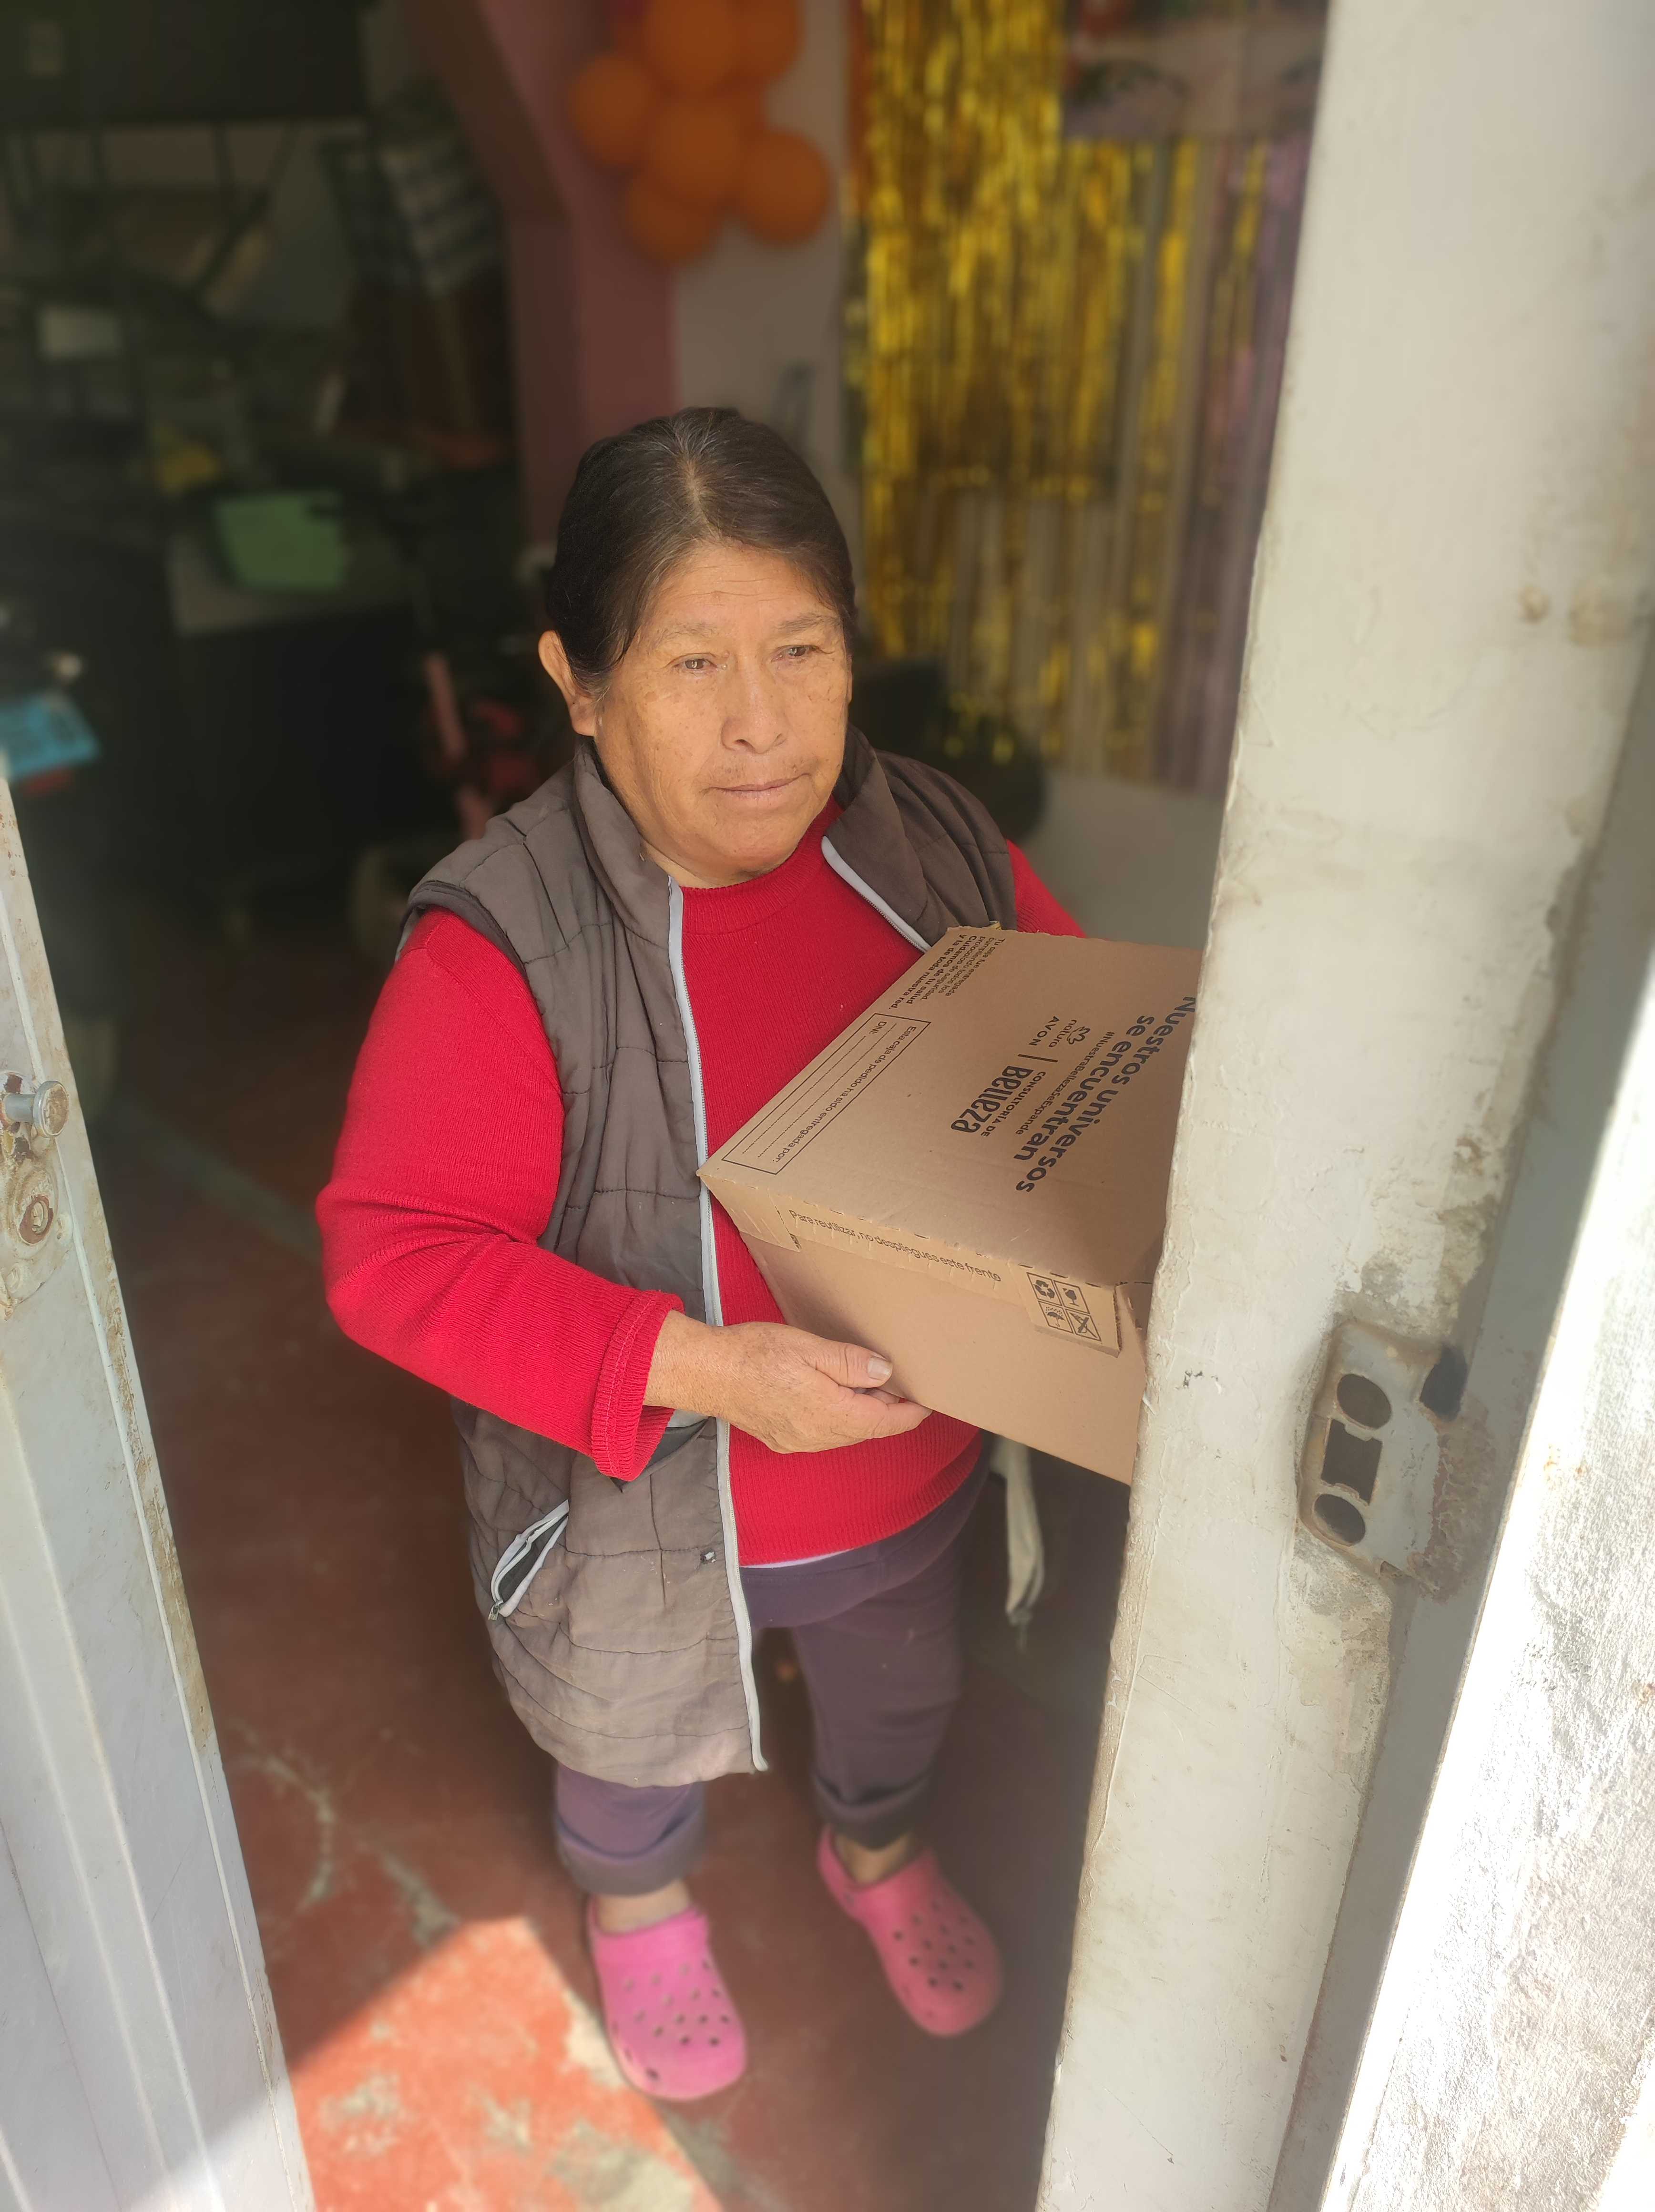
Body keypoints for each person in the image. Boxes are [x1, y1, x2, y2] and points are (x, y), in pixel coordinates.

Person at [319, 408, 1083, 2101]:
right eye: (691, 663)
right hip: (636, 1513)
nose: (762, 726)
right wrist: (714, 1372)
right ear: (580, 685)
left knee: (900, 1703)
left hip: (904, 1470)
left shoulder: (929, 839)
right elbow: (394, 1257)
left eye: (802, 649)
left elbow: (1074, 1051)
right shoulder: (504, 940)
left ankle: (873, 1851)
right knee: (622, 1751)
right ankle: (640, 1904)